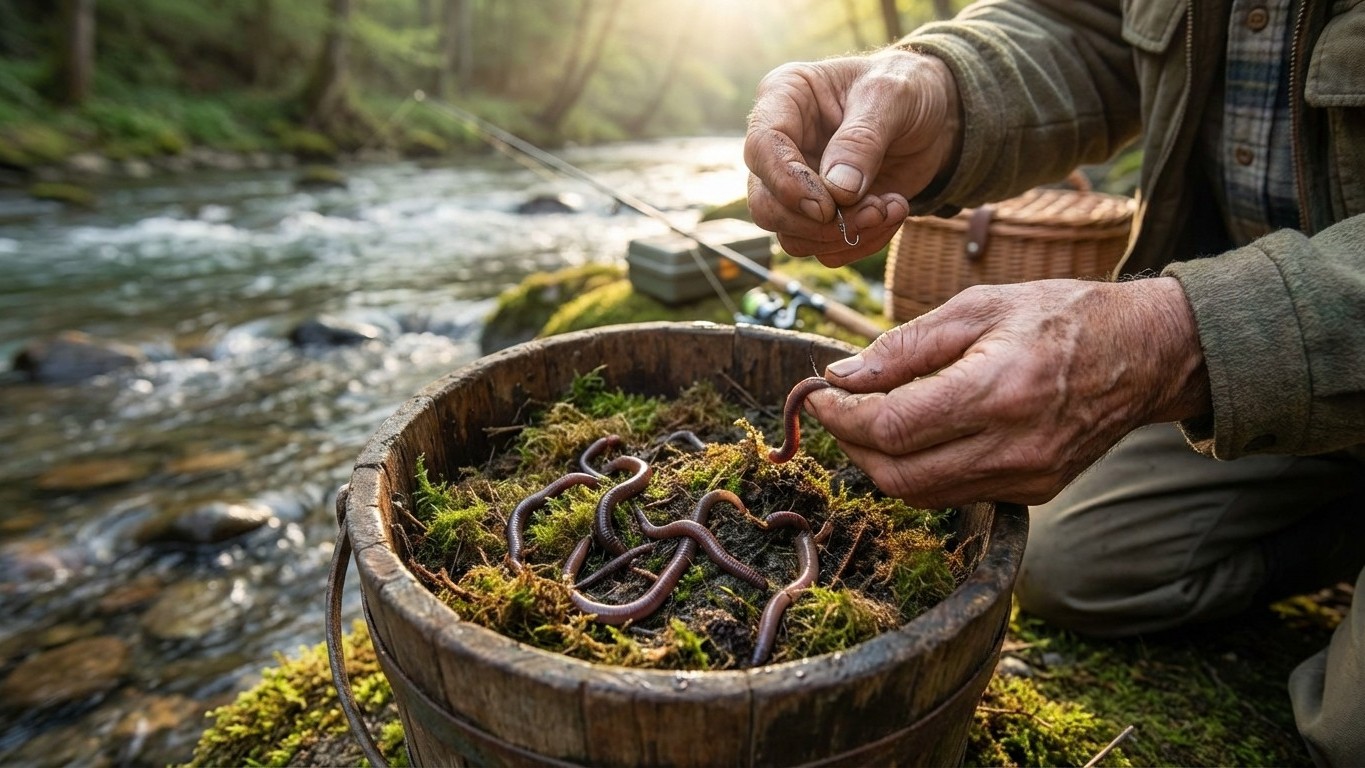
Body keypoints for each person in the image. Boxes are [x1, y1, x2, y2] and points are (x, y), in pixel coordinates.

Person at [743, 1, 1364, 764]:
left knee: (1348, 733)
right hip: (1260, 385)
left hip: (1260, 324)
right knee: (1067, 560)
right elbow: (1085, 22)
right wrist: (941, 87)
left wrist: (1177, 336)